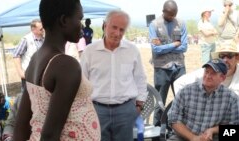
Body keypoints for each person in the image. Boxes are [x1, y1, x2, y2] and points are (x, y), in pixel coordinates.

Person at [13, 0, 100, 140]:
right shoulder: (66, 65)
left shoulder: (36, 58)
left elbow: (21, 124)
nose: (82, 25)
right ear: (64, 20)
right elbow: (50, 135)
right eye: (79, 19)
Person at [80, 10, 148, 141]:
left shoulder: (132, 50)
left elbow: (140, 78)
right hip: (97, 110)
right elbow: (82, 82)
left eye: (122, 30)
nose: (117, 33)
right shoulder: (90, 51)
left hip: (125, 111)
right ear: (105, 25)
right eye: (114, 27)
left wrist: (139, 105)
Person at [167, 58, 239, 141]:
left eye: (213, 73)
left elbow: (233, 128)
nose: (208, 76)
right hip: (182, 137)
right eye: (206, 72)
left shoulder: (231, 99)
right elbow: (173, 120)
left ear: (222, 78)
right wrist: (193, 138)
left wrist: (213, 130)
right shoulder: (185, 92)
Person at [148, 0, 188, 126]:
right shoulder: (154, 25)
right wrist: (174, 44)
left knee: (183, 100)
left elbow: (184, 47)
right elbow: (156, 49)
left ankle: (182, 129)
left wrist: (165, 46)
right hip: (162, 69)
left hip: (179, 67)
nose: (173, 17)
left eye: (174, 14)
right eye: (170, 15)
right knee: (160, 101)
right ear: (164, 11)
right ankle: (156, 131)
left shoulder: (181, 23)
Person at [174, 41, 239, 95]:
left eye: (229, 56)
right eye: (222, 56)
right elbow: (179, 83)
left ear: (237, 58)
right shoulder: (207, 72)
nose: (225, 60)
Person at [13, 19, 44, 90]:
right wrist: (20, 72)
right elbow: (16, 55)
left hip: (40, 75)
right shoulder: (26, 39)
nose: (43, 30)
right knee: (27, 96)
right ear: (33, 29)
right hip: (29, 75)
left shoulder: (44, 39)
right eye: (41, 29)